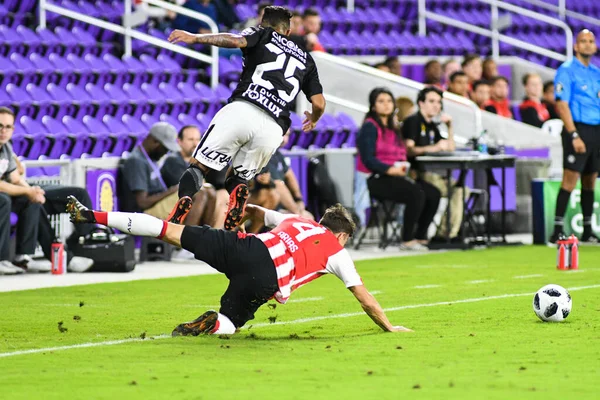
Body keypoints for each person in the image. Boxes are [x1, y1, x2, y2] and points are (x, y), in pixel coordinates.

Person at [66, 196, 412, 335]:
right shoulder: (337, 252)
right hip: (265, 276)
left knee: (168, 230)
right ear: (341, 235)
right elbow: (365, 298)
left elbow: (259, 211)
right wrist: (389, 326)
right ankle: (216, 322)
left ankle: (91, 215)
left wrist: (238, 218)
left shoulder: (297, 219)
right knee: (233, 323)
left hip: (244, 246)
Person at [167, 6, 326, 231]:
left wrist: (195, 38)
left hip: (244, 108)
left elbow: (234, 40)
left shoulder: (262, 33)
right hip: (274, 128)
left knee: (200, 166)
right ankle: (238, 195)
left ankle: (183, 201)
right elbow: (319, 102)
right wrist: (314, 118)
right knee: (239, 177)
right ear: (288, 32)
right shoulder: (307, 60)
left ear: (263, 24)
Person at [0, 107, 93, 273]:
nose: (3, 130)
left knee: (73, 195)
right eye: (0, 126)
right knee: (6, 199)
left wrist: (32, 191)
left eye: (8, 127)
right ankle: (2, 259)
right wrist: (28, 192)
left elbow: (15, 177)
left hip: (9, 193)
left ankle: (86, 243)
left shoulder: (6, 147)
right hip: (4, 197)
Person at [356, 88, 440, 250]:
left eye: (389, 101)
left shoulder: (394, 128)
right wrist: (388, 169)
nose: (386, 105)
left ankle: (420, 236)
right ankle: (407, 239)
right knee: (415, 193)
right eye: (381, 101)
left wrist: (405, 168)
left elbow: (402, 153)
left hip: (399, 175)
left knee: (433, 193)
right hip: (377, 179)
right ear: (373, 106)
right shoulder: (370, 127)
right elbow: (368, 159)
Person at [550, 30, 600, 243]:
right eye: (583, 41)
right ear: (576, 46)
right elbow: (562, 104)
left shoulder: (596, 73)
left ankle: (588, 230)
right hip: (578, 128)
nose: (588, 45)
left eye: (591, 41)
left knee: (590, 180)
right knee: (570, 179)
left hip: (596, 129)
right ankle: (557, 230)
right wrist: (573, 134)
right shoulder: (567, 70)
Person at [403, 87, 467, 241]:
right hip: (416, 174)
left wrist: (450, 127)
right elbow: (408, 149)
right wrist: (433, 148)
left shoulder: (432, 125)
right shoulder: (413, 121)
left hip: (434, 174)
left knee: (461, 190)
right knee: (455, 190)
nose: (436, 105)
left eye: (439, 102)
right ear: (421, 103)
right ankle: (444, 234)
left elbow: (450, 147)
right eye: (431, 101)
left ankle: (445, 234)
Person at [160, 125, 228, 228]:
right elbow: (185, 186)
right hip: (176, 199)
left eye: (198, 139)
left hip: (199, 199)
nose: (195, 143)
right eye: (190, 140)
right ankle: (190, 236)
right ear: (179, 141)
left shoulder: (202, 159)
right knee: (203, 193)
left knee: (223, 194)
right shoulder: (172, 160)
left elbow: (220, 179)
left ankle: (212, 236)